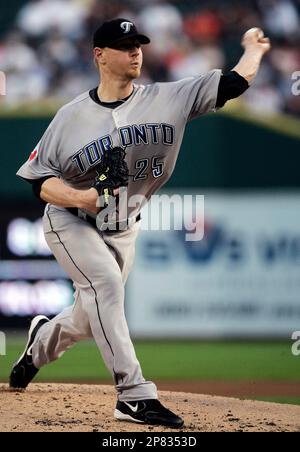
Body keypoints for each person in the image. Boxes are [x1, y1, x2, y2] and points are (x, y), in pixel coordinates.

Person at [10, 19, 270, 428]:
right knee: (106, 286)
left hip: (125, 225)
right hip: (69, 220)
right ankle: (134, 396)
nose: (135, 51)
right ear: (99, 55)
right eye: (123, 45)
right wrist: (83, 198)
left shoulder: (171, 97)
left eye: (138, 44)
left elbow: (236, 82)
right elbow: (39, 182)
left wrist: (254, 48)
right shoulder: (70, 116)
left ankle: (40, 343)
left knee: (85, 319)